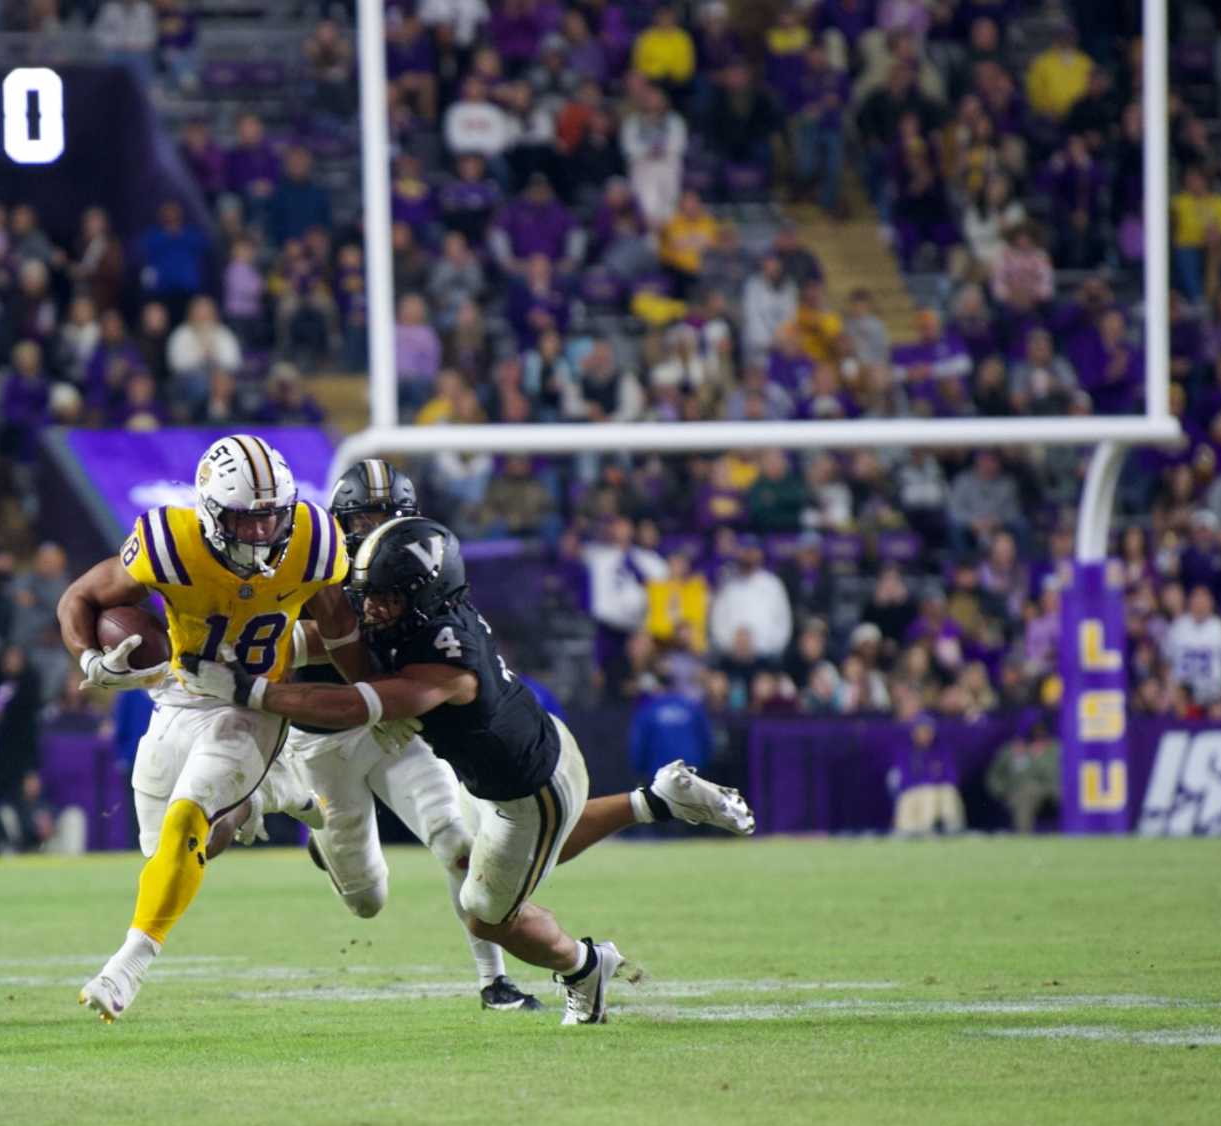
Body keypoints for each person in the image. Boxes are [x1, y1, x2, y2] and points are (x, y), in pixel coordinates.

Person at [180, 518, 755, 1025]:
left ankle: (585, 968)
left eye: (386, 598)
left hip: (528, 791)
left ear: (423, 596)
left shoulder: (447, 663)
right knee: (521, 860)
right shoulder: (422, 612)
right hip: (533, 753)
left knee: (487, 917)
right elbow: (325, 638)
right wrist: (234, 647)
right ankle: (656, 800)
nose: (373, 607)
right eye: (370, 594)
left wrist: (249, 689)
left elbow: (352, 704)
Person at [57, 434, 360, 1023]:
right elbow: (80, 597)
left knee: (186, 820)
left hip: (253, 701)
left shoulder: (316, 541)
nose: (263, 534)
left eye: (272, 518)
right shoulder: (168, 543)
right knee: (175, 854)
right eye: (247, 522)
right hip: (177, 692)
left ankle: (126, 967)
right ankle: (267, 795)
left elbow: (342, 631)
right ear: (212, 513)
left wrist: (372, 699)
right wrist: (90, 660)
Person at [272, 461, 543, 1012]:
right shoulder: (309, 558)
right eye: (364, 517)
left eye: (388, 517)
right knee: (367, 900)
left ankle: (495, 981)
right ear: (340, 520)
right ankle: (325, 845)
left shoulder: (422, 563)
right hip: (322, 740)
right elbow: (283, 637)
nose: (375, 529)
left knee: (456, 840)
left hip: (393, 725)